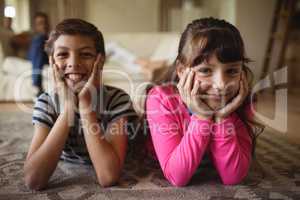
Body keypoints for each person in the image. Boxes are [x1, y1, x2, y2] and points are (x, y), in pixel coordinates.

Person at [145, 17, 264, 187]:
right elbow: (177, 177)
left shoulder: (241, 99)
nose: (221, 84)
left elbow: (233, 177)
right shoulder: (162, 99)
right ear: (181, 70)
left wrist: (224, 117)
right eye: (205, 70)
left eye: (231, 71)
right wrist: (202, 117)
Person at [24, 18, 136, 190]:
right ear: (51, 62)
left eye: (85, 54)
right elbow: (33, 180)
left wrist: (85, 106)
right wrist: (67, 110)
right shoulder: (46, 102)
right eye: (62, 54)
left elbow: (108, 176)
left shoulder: (117, 100)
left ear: (101, 61)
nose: (74, 63)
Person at [28, 12, 50, 97]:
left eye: (45, 23)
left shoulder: (50, 37)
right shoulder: (37, 39)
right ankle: (37, 84)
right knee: (40, 38)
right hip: (35, 57)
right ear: (35, 26)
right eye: (40, 23)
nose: (43, 26)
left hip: (46, 57)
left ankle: (37, 84)